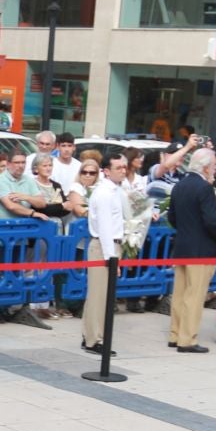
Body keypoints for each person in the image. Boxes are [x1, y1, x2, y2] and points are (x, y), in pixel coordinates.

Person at [166, 148, 216, 353]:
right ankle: (187, 339)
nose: (215, 170)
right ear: (205, 167)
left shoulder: (180, 185)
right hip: (202, 249)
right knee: (194, 295)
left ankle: (175, 334)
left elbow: (172, 217)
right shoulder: (204, 188)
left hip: (183, 246)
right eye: (213, 167)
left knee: (179, 294)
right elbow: (212, 220)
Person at [82, 149, 125, 357]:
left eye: (125, 167)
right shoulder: (105, 193)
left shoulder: (115, 190)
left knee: (99, 295)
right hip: (103, 246)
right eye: (119, 168)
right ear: (107, 171)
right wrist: (111, 258)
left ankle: (90, 335)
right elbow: (106, 227)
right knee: (99, 296)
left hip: (110, 244)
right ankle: (94, 339)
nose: (123, 171)